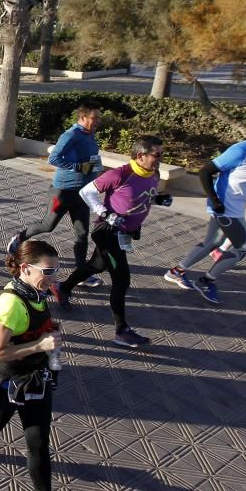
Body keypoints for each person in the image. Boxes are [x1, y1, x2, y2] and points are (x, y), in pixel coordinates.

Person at [0, 240, 82, 491]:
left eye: (57, 269)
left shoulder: (37, 291)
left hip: (35, 380)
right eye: (48, 270)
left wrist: (46, 334)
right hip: (4, 381)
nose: (54, 276)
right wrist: (39, 343)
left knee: (38, 442)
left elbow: (32, 330)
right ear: (25, 268)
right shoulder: (12, 303)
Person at [53, 136, 173, 348]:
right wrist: (105, 212)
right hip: (108, 233)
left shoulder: (153, 173)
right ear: (140, 155)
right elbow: (86, 192)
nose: (160, 158)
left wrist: (159, 199)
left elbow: (144, 195)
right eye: (157, 155)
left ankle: (63, 287)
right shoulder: (120, 174)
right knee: (122, 280)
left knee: (96, 266)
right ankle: (122, 331)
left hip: (125, 232)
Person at [9, 102, 104, 288]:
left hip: (83, 192)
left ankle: (81, 273)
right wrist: (78, 167)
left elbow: (91, 160)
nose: (98, 121)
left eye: (99, 117)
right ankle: (19, 237)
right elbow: (53, 158)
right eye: (95, 118)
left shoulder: (90, 135)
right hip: (63, 191)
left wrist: (97, 172)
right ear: (83, 117)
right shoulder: (71, 135)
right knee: (48, 225)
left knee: (82, 233)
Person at [163, 134, 246, 304]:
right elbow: (205, 171)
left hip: (235, 210)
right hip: (226, 209)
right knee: (244, 249)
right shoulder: (241, 150)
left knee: (212, 242)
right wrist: (214, 200)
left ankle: (177, 271)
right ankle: (207, 281)